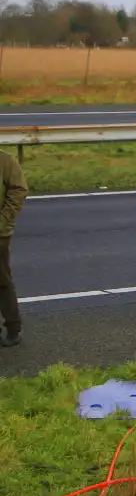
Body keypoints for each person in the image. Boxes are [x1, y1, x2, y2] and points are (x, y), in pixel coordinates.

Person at [0, 149, 28, 348]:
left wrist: (2, 222)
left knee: (1, 281)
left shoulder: (5, 161)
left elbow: (18, 190)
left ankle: (13, 328)